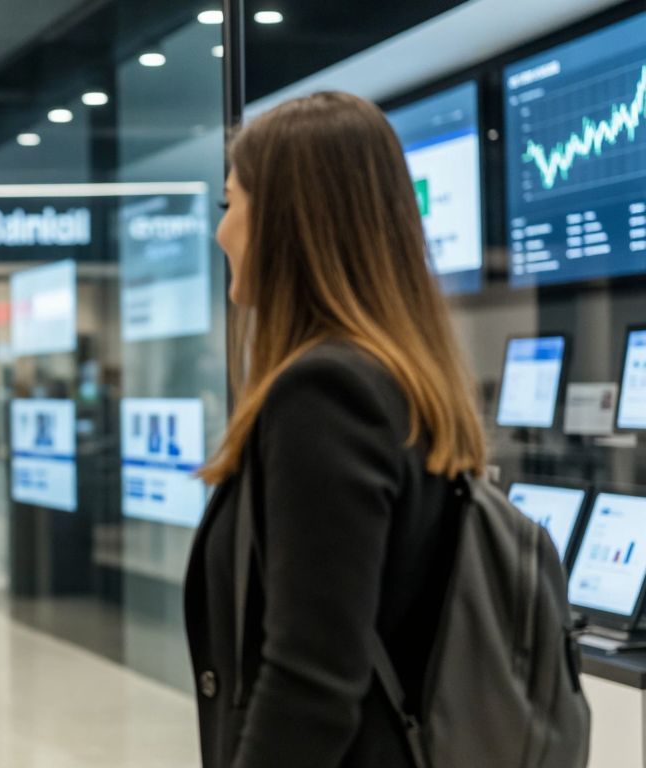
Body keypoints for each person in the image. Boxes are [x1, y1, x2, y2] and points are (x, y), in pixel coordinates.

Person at [185, 91, 486, 767]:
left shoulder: (324, 394)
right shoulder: (396, 376)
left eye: (230, 204)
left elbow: (309, 679)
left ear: (289, 218)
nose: (222, 232)